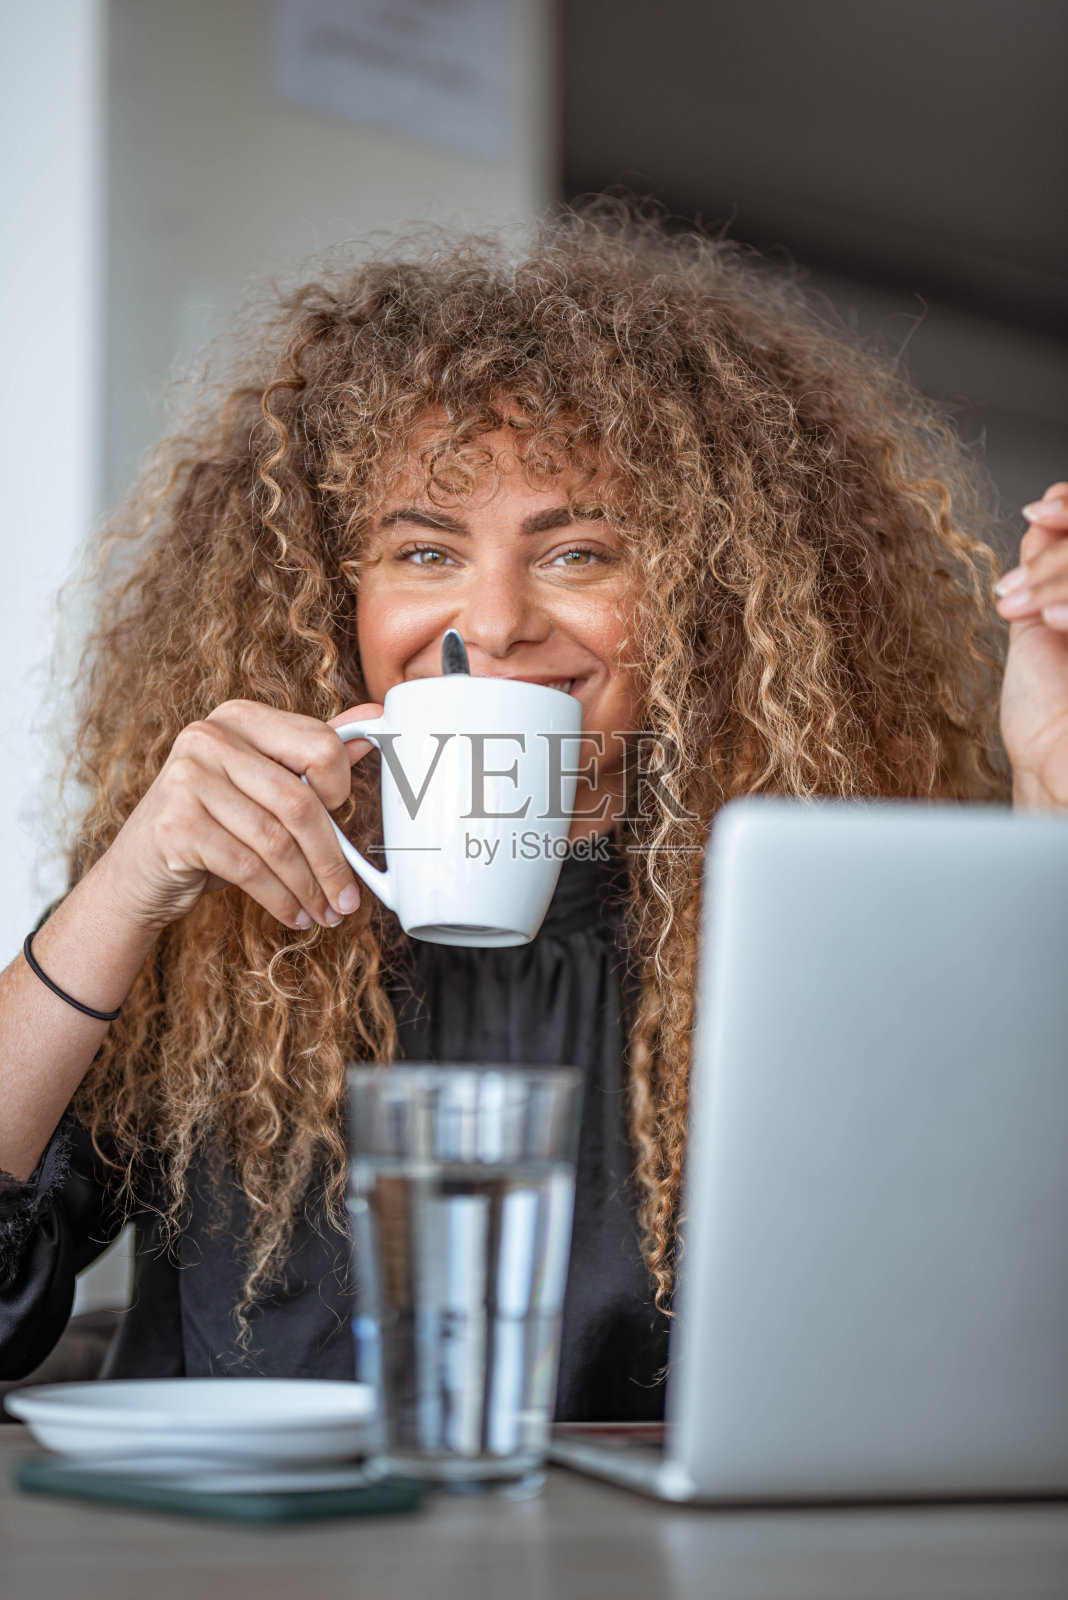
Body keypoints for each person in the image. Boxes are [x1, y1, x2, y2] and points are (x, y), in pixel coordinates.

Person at [0, 211, 1064, 1416]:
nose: (494, 620)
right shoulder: (209, 920)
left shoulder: (822, 934)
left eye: (578, 554)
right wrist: (126, 885)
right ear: (334, 594)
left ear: (704, 599)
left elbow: (1014, 1284)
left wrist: (1052, 801)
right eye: (422, 551)